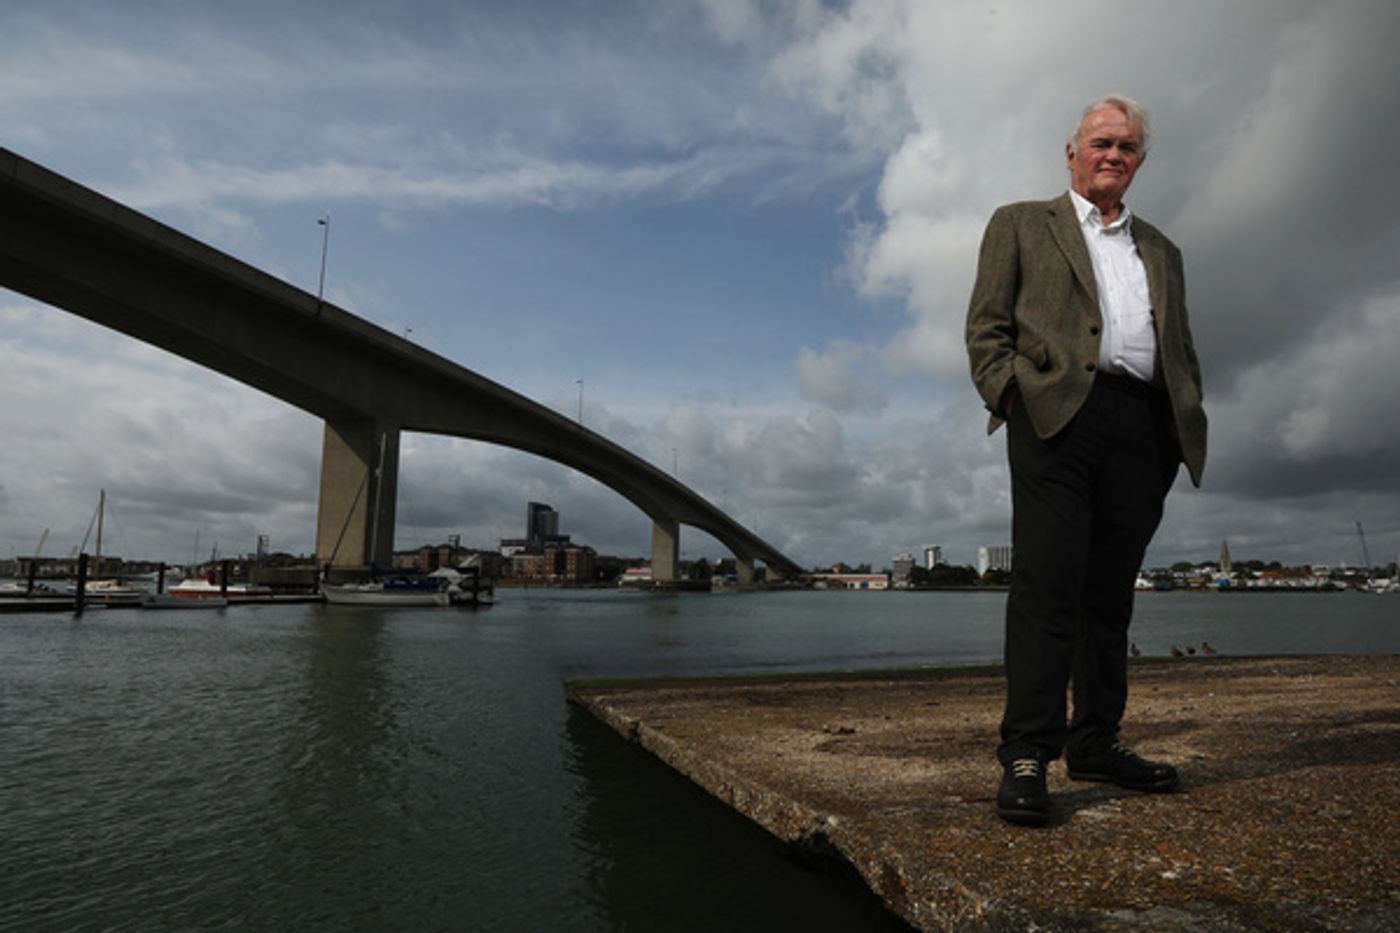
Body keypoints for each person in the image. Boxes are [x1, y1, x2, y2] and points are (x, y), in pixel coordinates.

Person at [965, 94, 1207, 825]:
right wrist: (1013, 395)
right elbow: (986, 327)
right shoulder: (1018, 223)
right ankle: (1028, 752)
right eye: (1101, 141)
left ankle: (1096, 739)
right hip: (1054, 416)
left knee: (1110, 593)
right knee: (1048, 584)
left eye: (1127, 146)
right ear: (1071, 152)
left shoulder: (1163, 248)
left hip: (1144, 426)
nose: (1114, 154)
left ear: (1138, 162)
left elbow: (1180, 343)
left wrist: (1178, 421)